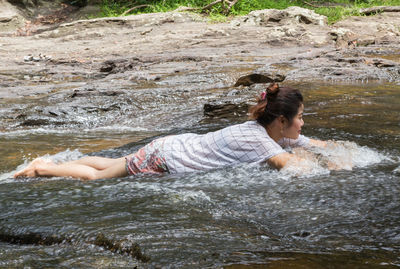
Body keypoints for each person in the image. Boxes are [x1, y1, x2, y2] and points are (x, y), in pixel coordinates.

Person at [14, 83, 326, 180]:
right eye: (300, 117)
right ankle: (43, 170)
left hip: (171, 146)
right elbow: (299, 169)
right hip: (164, 159)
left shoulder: (269, 130)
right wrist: (324, 162)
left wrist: (329, 148)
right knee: (98, 178)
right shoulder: (260, 142)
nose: (303, 122)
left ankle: (57, 164)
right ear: (282, 121)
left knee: (116, 162)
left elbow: (311, 142)